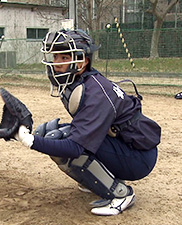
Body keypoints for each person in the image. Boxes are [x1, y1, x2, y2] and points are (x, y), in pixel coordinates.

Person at [14, 29, 161, 216]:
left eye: (64, 57)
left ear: (82, 61)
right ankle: (93, 180)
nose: (56, 63)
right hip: (125, 146)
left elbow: (74, 147)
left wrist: (28, 140)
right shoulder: (78, 81)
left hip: (138, 157)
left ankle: (120, 194)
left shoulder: (95, 92)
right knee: (49, 132)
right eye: (55, 57)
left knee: (62, 140)